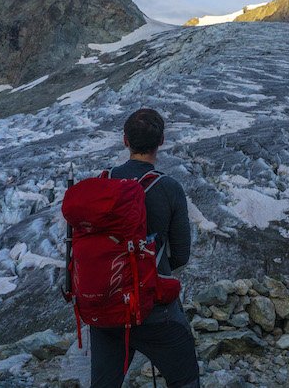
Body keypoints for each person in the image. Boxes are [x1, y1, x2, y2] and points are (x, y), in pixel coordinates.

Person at [89, 108, 199, 388]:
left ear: (125, 141)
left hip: (106, 307)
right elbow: (181, 255)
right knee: (185, 381)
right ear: (161, 141)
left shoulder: (101, 183)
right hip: (155, 311)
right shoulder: (168, 188)